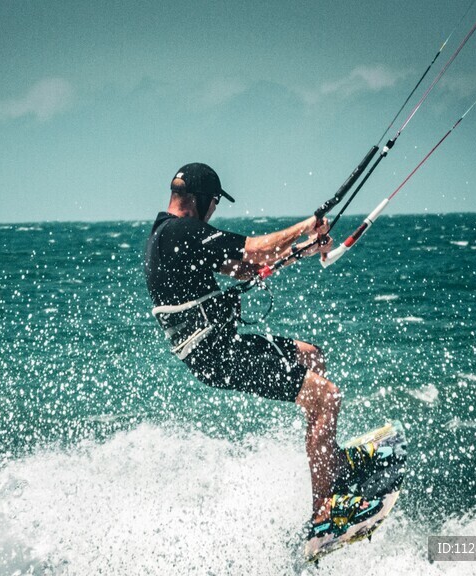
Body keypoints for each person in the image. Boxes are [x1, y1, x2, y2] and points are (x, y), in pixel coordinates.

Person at [144, 162, 373, 545]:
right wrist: (308, 223)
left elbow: (245, 267)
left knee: (311, 356)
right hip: (217, 353)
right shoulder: (182, 231)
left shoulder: (168, 236)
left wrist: (304, 249)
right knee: (327, 396)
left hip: (216, 347)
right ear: (201, 201)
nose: (214, 212)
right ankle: (324, 513)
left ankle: (330, 464)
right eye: (214, 203)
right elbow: (254, 248)